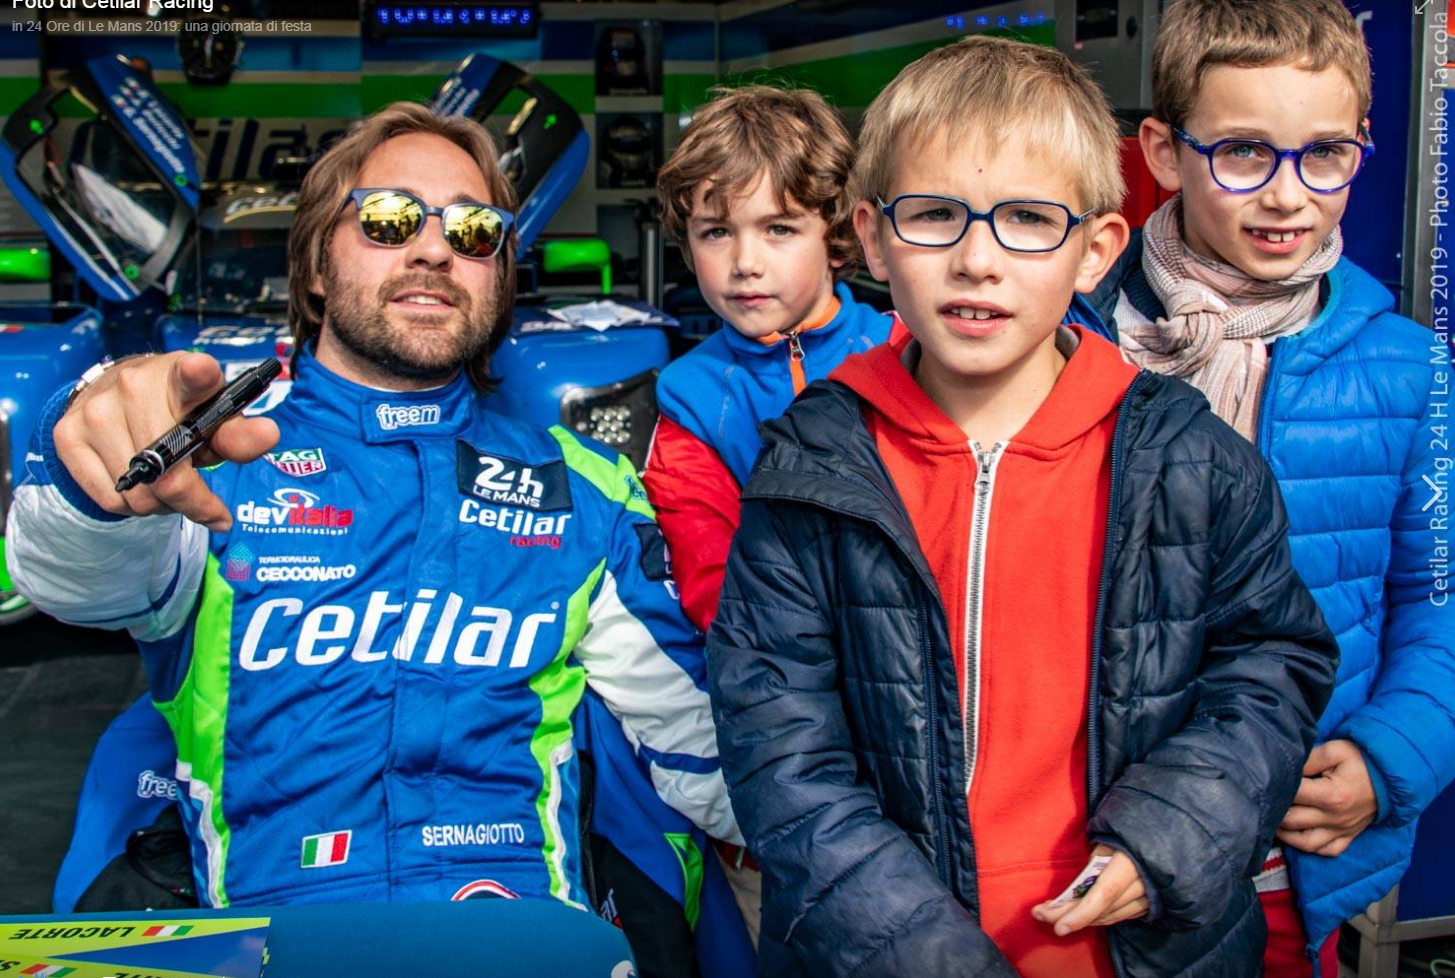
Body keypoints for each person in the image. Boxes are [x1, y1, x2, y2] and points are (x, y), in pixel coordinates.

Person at [705, 34, 1338, 978]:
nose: (977, 260)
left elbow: (1268, 668)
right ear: (871, 237)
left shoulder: (1192, 459)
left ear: (1095, 251)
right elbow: (779, 745)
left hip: (1141, 949)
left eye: (1029, 220)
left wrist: (1169, 837)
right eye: (933, 215)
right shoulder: (811, 467)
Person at [6, 102, 740, 911]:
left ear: (498, 275)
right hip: (277, 942)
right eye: (390, 219)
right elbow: (72, 582)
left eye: (473, 231)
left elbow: (700, 744)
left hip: (516, 935)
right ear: (317, 267)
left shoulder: (585, 486)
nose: (434, 248)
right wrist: (92, 461)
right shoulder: (217, 462)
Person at [1072, 2, 1455, 973]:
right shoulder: (1074, 342)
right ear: (1163, 153)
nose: (1287, 195)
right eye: (1242, 152)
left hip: (1282, 850)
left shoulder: (1407, 367)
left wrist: (1393, 755)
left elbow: (1438, 600)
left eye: (1323, 154)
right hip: (1085, 835)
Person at [644, 84, 892, 636]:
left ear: (836, 236)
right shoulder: (690, 397)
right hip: (779, 653)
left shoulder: (900, 349)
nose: (745, 262)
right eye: (716, 232)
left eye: (779, 228)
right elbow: (710, 576)